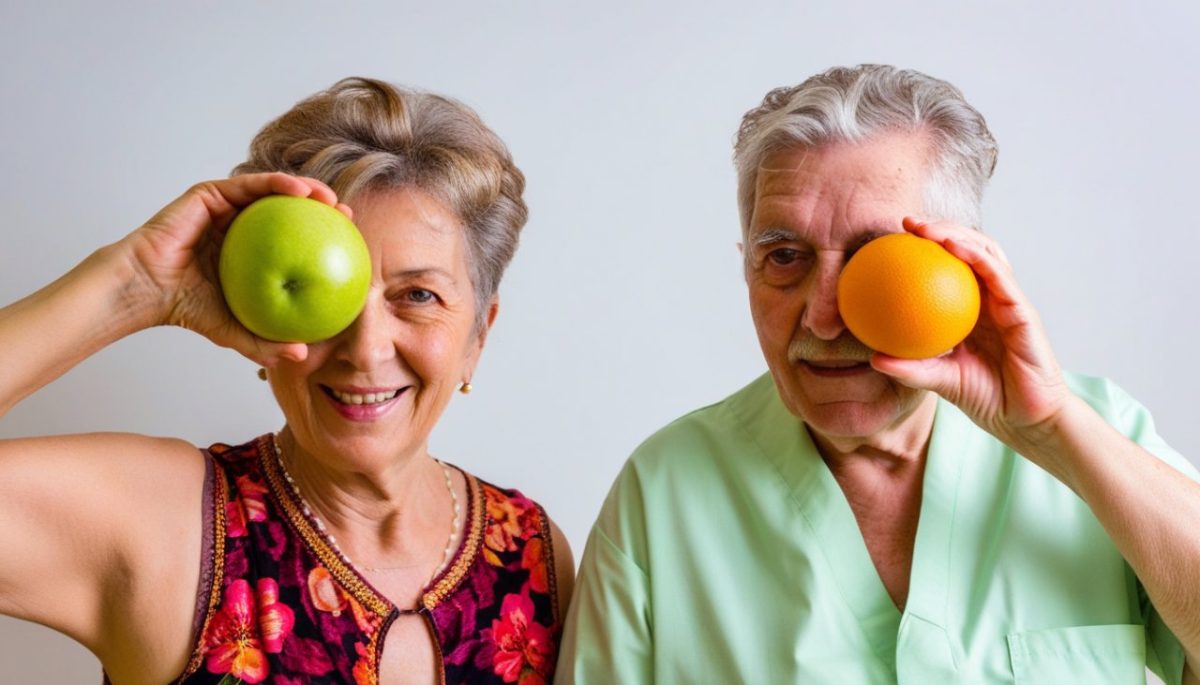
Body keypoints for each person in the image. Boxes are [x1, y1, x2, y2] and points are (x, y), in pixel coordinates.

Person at [557, 64, 1200, 684]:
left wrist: (1055, 428)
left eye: (876, 259)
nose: (824, 317)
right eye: (784, 257)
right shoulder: (664, 490)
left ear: (962, 264)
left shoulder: (1098, 435)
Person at [0, 77, 572, 685]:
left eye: (418, 295)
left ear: (477, 337)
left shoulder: (534, 557)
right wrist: (131, 286)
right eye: (332, 297)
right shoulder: (166, 528)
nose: (365, 348)